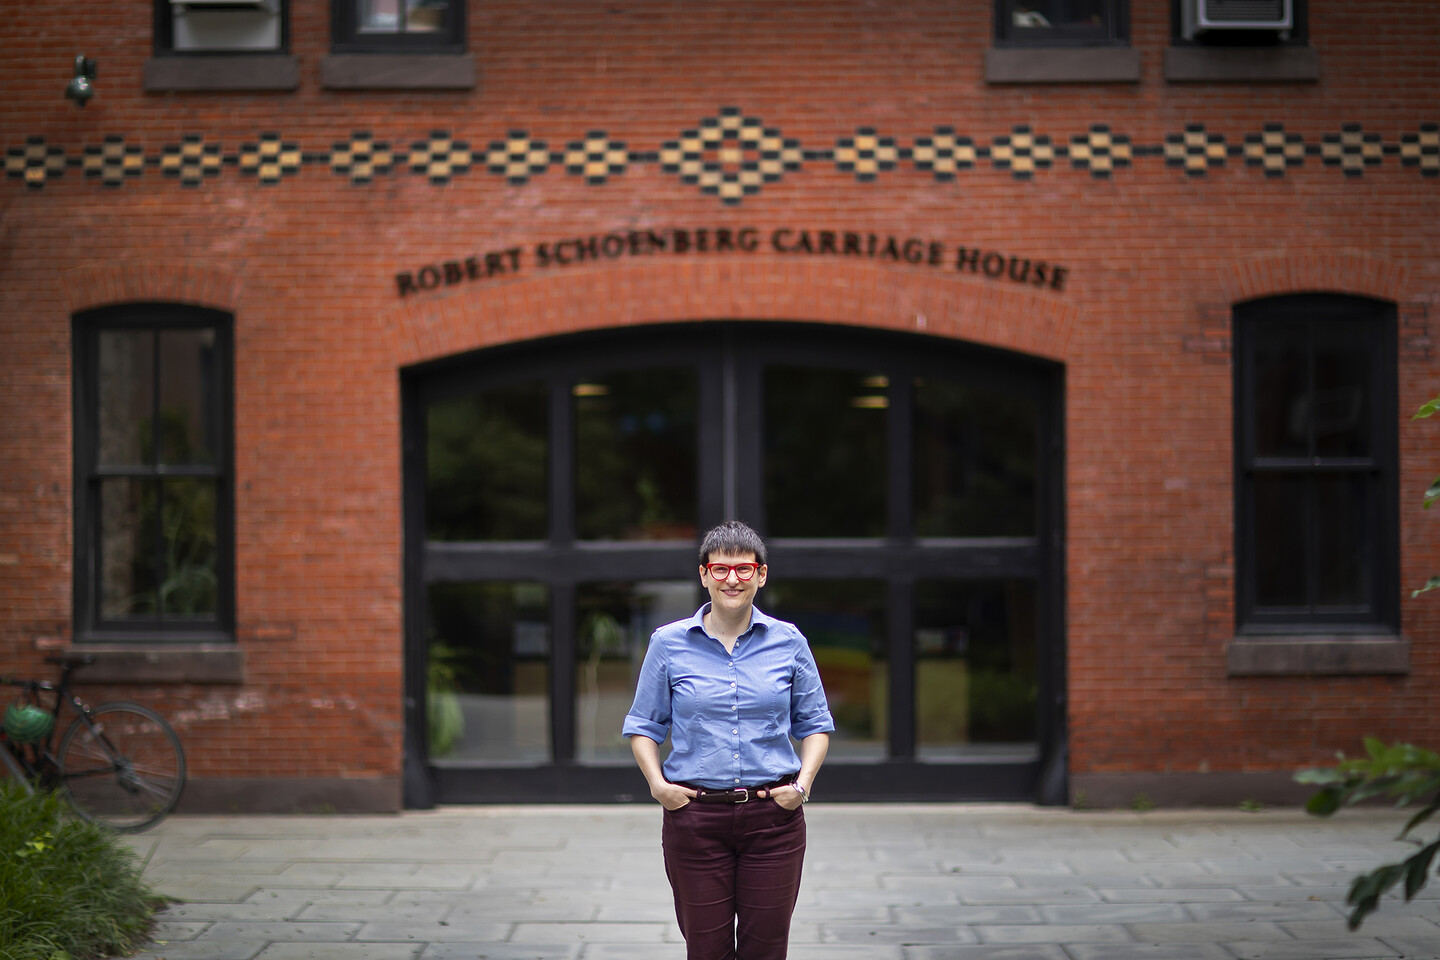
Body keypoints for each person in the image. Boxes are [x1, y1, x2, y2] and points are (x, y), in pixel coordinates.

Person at [623, 520, 834, 960]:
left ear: (761, 575)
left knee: (766, 950)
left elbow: (814, 723)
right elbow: (644, 725)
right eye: (720, 569)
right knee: (706, 950)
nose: (732, 579)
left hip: (773, 820)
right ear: (703, 575)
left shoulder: (789, 641)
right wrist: (658, 787)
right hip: (695, 820)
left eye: (744, 569)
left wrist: (802, 786)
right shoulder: (668, 643)